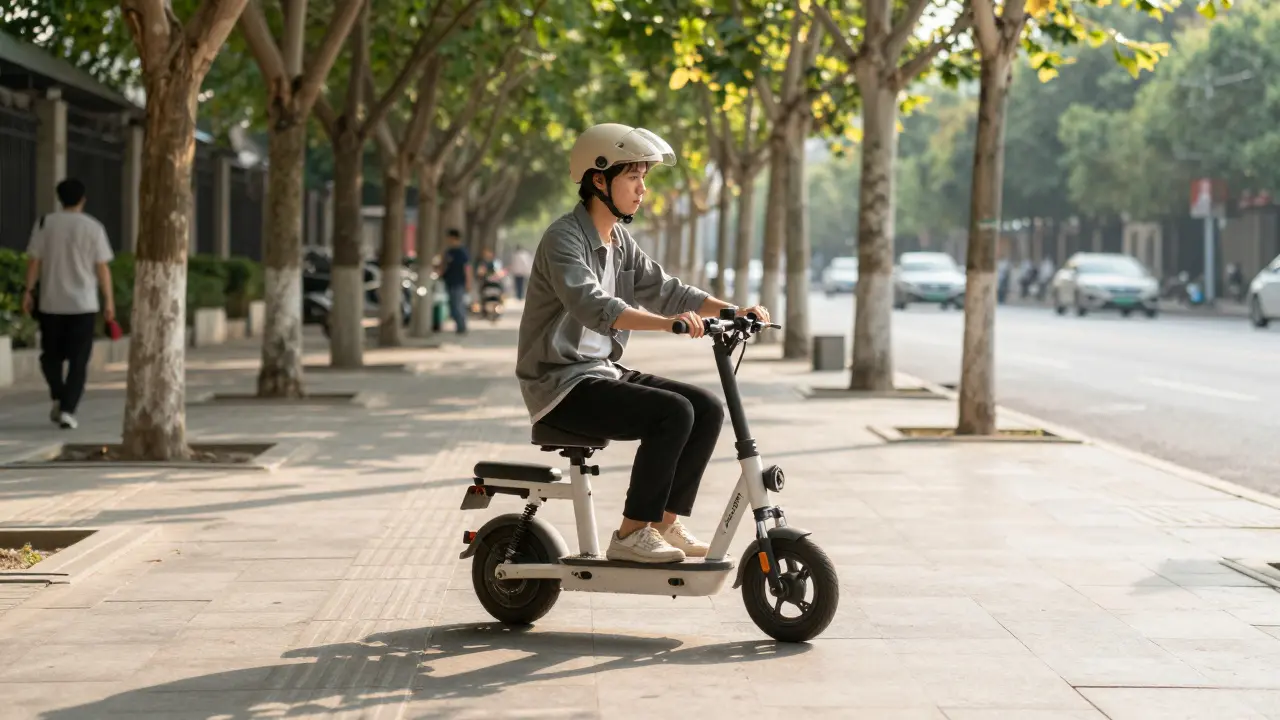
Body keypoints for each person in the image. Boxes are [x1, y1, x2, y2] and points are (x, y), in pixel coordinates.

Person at [515, 123, 770, 564]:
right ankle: (631, 534)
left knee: (707, 407)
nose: (642, 189)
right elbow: (593, 305)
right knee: (672, 413)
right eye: (633, 177)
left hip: (601, 373)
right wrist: (668, 325)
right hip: (559, 385)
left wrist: (734, 311)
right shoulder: (563, 239)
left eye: (644, 178)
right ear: (599, 180)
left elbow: (667, 289)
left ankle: (663, 524)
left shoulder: (619, 241)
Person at [21, 178, 116, 430]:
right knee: (78, 361)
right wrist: (109, 300)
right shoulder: (93, 227)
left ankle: (59, 396)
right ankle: (67, 408)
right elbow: (102, 268)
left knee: (49, 357)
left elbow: (34, 261)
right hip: (84, 305)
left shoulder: (45, 223)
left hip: (51, 303)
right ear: (83, 199)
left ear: (59, 198)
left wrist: (28, 291)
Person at [437, 229, 471, 335]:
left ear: (454, 238)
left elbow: (467, 268)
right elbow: (443, 265)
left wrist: (468, 282)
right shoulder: (448, 252)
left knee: (458, 305)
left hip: (459, 282)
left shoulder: (462, 252)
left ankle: (461, 327)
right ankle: (459, 326)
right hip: (449, 281)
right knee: (452, 305)